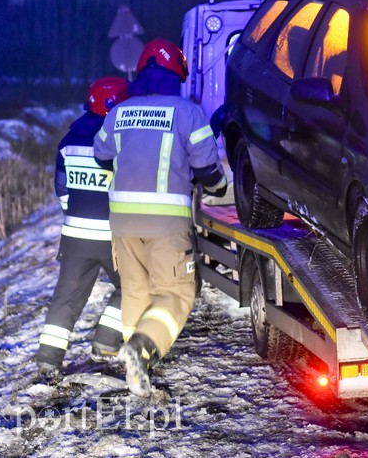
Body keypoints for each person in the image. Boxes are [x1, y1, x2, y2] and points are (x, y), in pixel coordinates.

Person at [93, 38, 227, 396]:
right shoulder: (187, 112)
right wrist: (216, 183)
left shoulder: (119, 112)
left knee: (135, 291)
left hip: (122, 221)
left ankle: (135, 369)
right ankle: (141, 348)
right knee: (176, 294)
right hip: (165, 223)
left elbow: (101, 155)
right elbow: (208, 169)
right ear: (175, 76)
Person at [36, 77, 130, 380]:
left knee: (66, 298)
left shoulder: (68, 141)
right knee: (133, 287)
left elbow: (61, 188)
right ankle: (105, 342)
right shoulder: (120, 141)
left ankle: (48, 360)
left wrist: (73, 214)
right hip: (112, 237)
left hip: (74, 236)